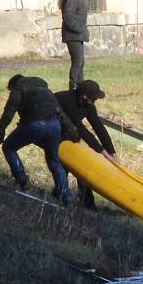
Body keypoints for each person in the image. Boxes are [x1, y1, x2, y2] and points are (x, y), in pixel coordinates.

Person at [0, 74, 75, 204]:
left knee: (8, 147)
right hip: (54, 125)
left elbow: (9, 110)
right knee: (54, 160)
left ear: (13, 85)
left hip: (34, 125)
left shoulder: (18, 88)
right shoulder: (45, 89)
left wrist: (1, 130)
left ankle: (21, 180)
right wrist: (72, 131)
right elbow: (59, 111)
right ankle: (67, 196)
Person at [56, 79, 118, 209]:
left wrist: (113, 152)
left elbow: (99, 127)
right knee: (66, 163)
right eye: (94, 98)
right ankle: (62, 195)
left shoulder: (88, 105)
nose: (95, 101)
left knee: (79, 164)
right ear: (84, 96)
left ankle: (87, 202)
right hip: (53, 129)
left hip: (69, 130)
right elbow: (81, 130)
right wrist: (103, 152)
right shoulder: (68, 101)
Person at [59, 0, 89, 91]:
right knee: (77, 61)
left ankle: (80, 85)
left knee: (80, 61)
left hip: (77, 34)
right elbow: (68, 17)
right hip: (73, 34)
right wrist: (79, 28)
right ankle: (74, 86)